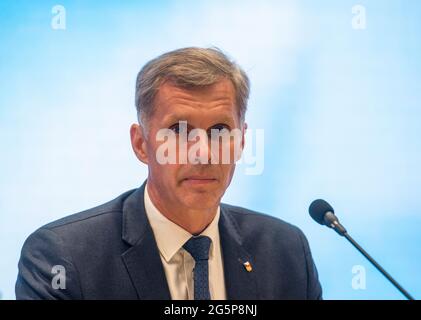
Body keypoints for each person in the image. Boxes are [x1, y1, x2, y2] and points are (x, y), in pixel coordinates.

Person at [15, 47, 322, 300]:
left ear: (241, 142)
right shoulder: (63, 257)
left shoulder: (285, 251)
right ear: (141, 144)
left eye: (219, 130)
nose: (203, 152)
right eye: (179, 130)